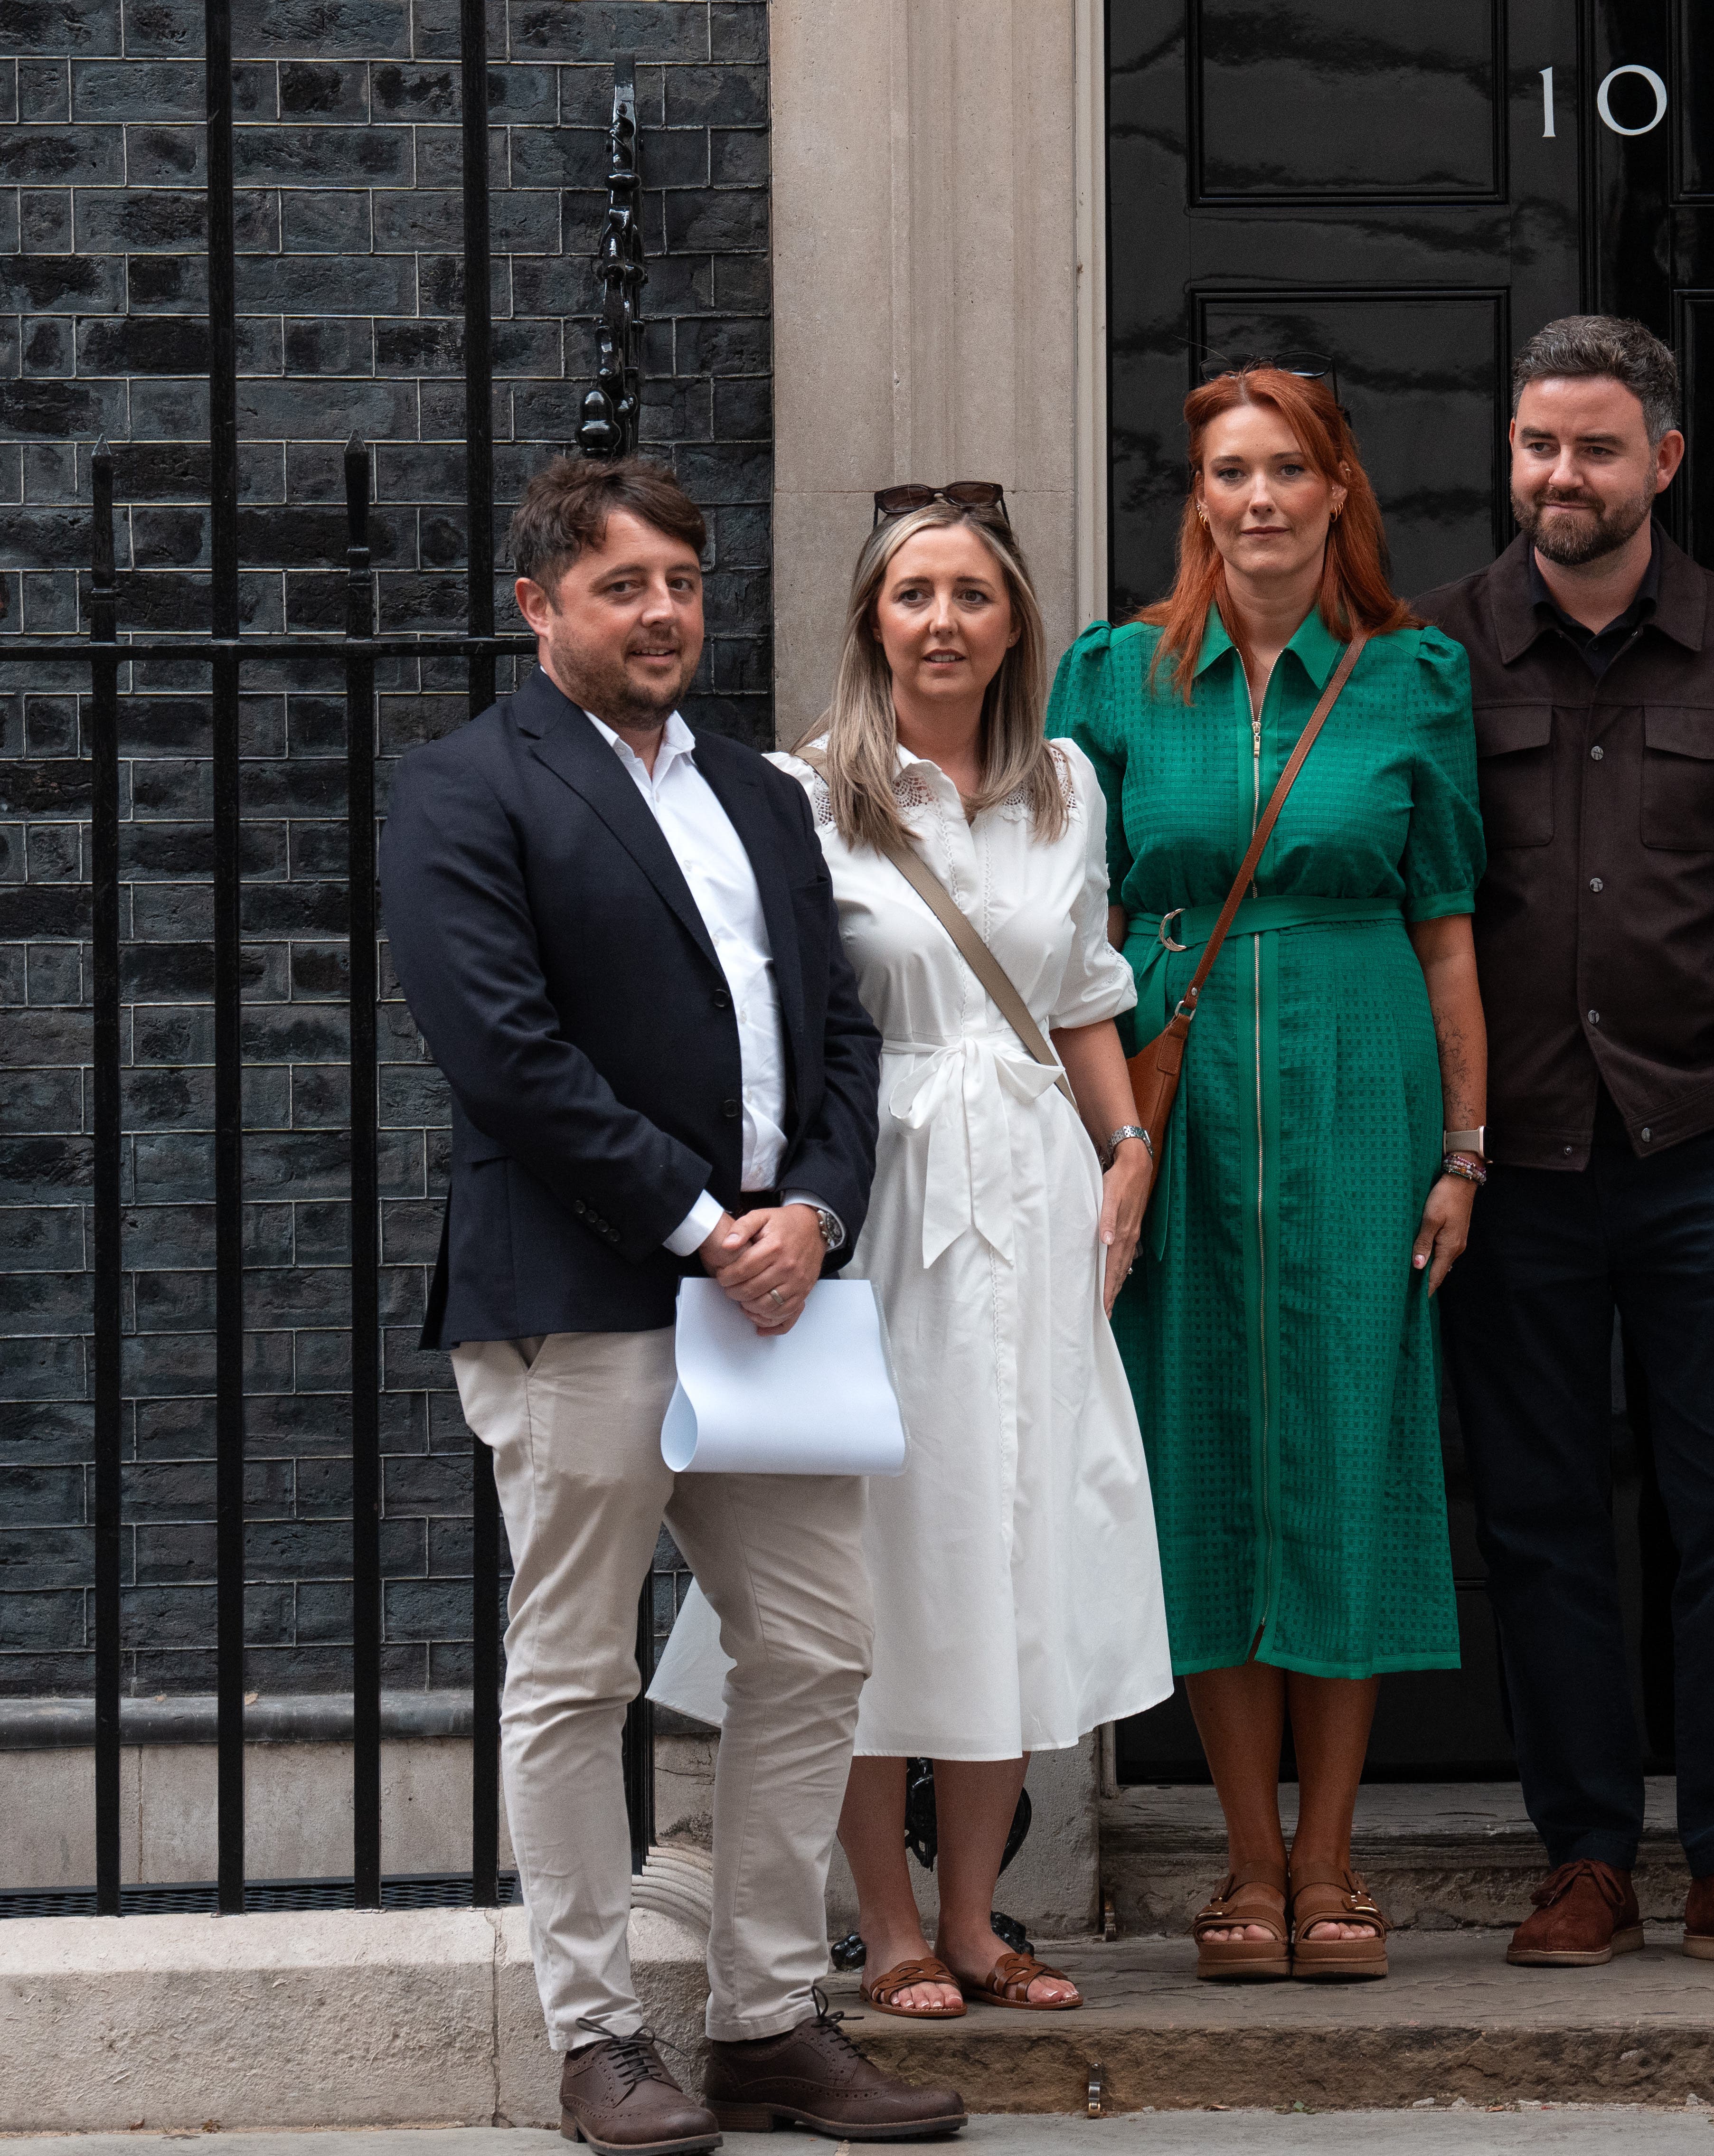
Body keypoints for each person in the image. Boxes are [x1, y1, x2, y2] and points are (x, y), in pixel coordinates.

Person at [385, 457, 963, 2153]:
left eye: (685, 583)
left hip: (773, 1298)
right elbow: (505, 1056)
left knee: (816, 1645)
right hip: (586, 1290)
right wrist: (712, 1224)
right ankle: (596, 2039)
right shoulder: (464, 789)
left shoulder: (768, 797)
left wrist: (818, 1209)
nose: (664, 614)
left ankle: (768, 2022)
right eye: (625, 585)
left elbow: (848, 1040)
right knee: (574, 1669)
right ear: (540, 607)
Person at [648, 483, 1176, 2019]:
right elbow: (780, 1015)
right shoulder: (800, 794)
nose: (942, 622)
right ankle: (879, 1925)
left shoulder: (1064, 783)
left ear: (1013, 624)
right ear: (872, 621)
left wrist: (1127, 1143)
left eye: (972, 595)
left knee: (1014, 1532)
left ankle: (976, 1920)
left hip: (1034, 1185)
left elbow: (1082, 990)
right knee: (878, 1549)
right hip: (880, 1198)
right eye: (913, 595)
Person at [1415, 315, 1714, 1975]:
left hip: (1712, 1148)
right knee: (1536, 1516)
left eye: (1596, 448)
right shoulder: (1436, 652)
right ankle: (1584, 1855)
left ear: (1661, 461)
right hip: (1512, 1162)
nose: (1562, 477)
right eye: (1539, 445)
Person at [1047, 365, 1487, 1985]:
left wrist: (1464, 1149)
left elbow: (1446, 933)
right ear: (1199, 498)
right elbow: (1068, 927)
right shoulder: (1109, 679)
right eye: (1231, 471)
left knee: (1347, 1453)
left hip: (1364, 1094)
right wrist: (1096, 1138)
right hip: (1173, 1107)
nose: (1259, 500)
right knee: (1210, 1449)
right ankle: (1240, 1861)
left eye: (1288, 470)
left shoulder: (1410, 678)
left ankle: (1330, 1864)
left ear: (1336, 494)